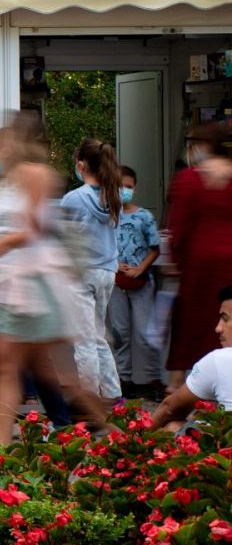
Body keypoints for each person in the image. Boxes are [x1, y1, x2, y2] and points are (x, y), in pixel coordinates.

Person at [0, 118, 108, 446]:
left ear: (15, 144)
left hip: (35, 285)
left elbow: (30, 229)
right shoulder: (8, 180)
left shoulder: (34, 175)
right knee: (12, 369)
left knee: (53, 373)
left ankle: (113, 434)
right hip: (12, 285)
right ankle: (3, 445)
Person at [165, 124, 232, 392]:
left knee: (190, 321)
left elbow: (178, 226)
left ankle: (178, 383)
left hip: (199, 262)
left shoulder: (189, 178)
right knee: (227, 315)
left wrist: (176, 262)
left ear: (201, 146)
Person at [59, 138, 125, 402]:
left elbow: (62, 239)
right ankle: (113, 395)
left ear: (81, 165)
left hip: (80, 274)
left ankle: (90, 401)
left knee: (84, 341)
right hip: (106, 273)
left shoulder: (73, 199)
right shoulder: (115, 196)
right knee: (97, 336)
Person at [111, 165, 163, 399]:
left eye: (128, 186)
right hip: (116, 283)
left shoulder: (145, 217)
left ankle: (153, 379)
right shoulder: (107, 217)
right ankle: (124, 379)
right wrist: (115, 264)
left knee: (145, 333)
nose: (124, 190)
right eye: (119, 186)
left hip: (141, 282)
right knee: (120, 333)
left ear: (135, 187)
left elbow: (155, 248)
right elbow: (102, 247)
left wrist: (140, 269)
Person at [152, 286, 232, 431]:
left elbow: (169, 409)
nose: (218, 328)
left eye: (225, 319)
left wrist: (132, 439)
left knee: (173, 426)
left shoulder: (220, 359)